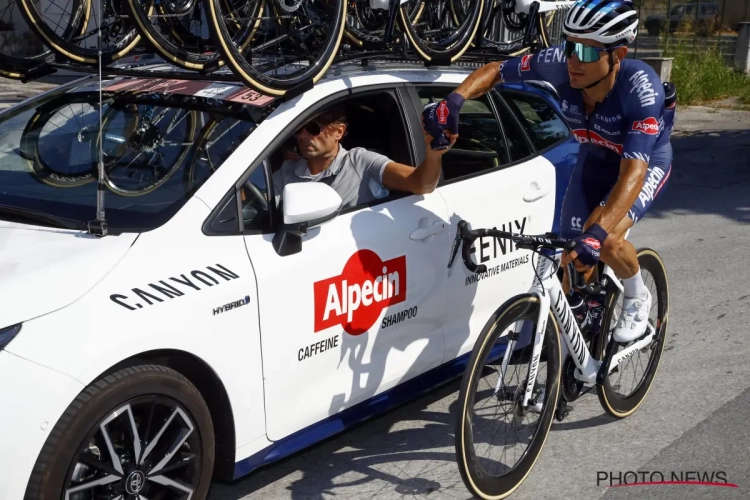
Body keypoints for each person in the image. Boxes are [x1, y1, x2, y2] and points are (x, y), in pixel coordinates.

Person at [422, 0, 676, 344]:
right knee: (570, 252)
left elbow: (633, 171)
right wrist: (454, 101)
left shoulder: (641, 89)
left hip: (644, 163)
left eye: (586, 53)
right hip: (596, 156)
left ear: (618, 55)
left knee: (606, 239)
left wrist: (596, 235)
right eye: (570, 46)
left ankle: (636, 295)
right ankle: (583, 325)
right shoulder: (560, 64)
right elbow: (497, 70)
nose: (573, 60)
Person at [272, 106, 457, 209]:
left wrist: (433, 155)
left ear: (339, 132)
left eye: (312, 129)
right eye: (297, 130)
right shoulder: (288, 170)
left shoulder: (361, 162)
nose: (303, 136)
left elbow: (420, 184)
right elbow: (251, 206)